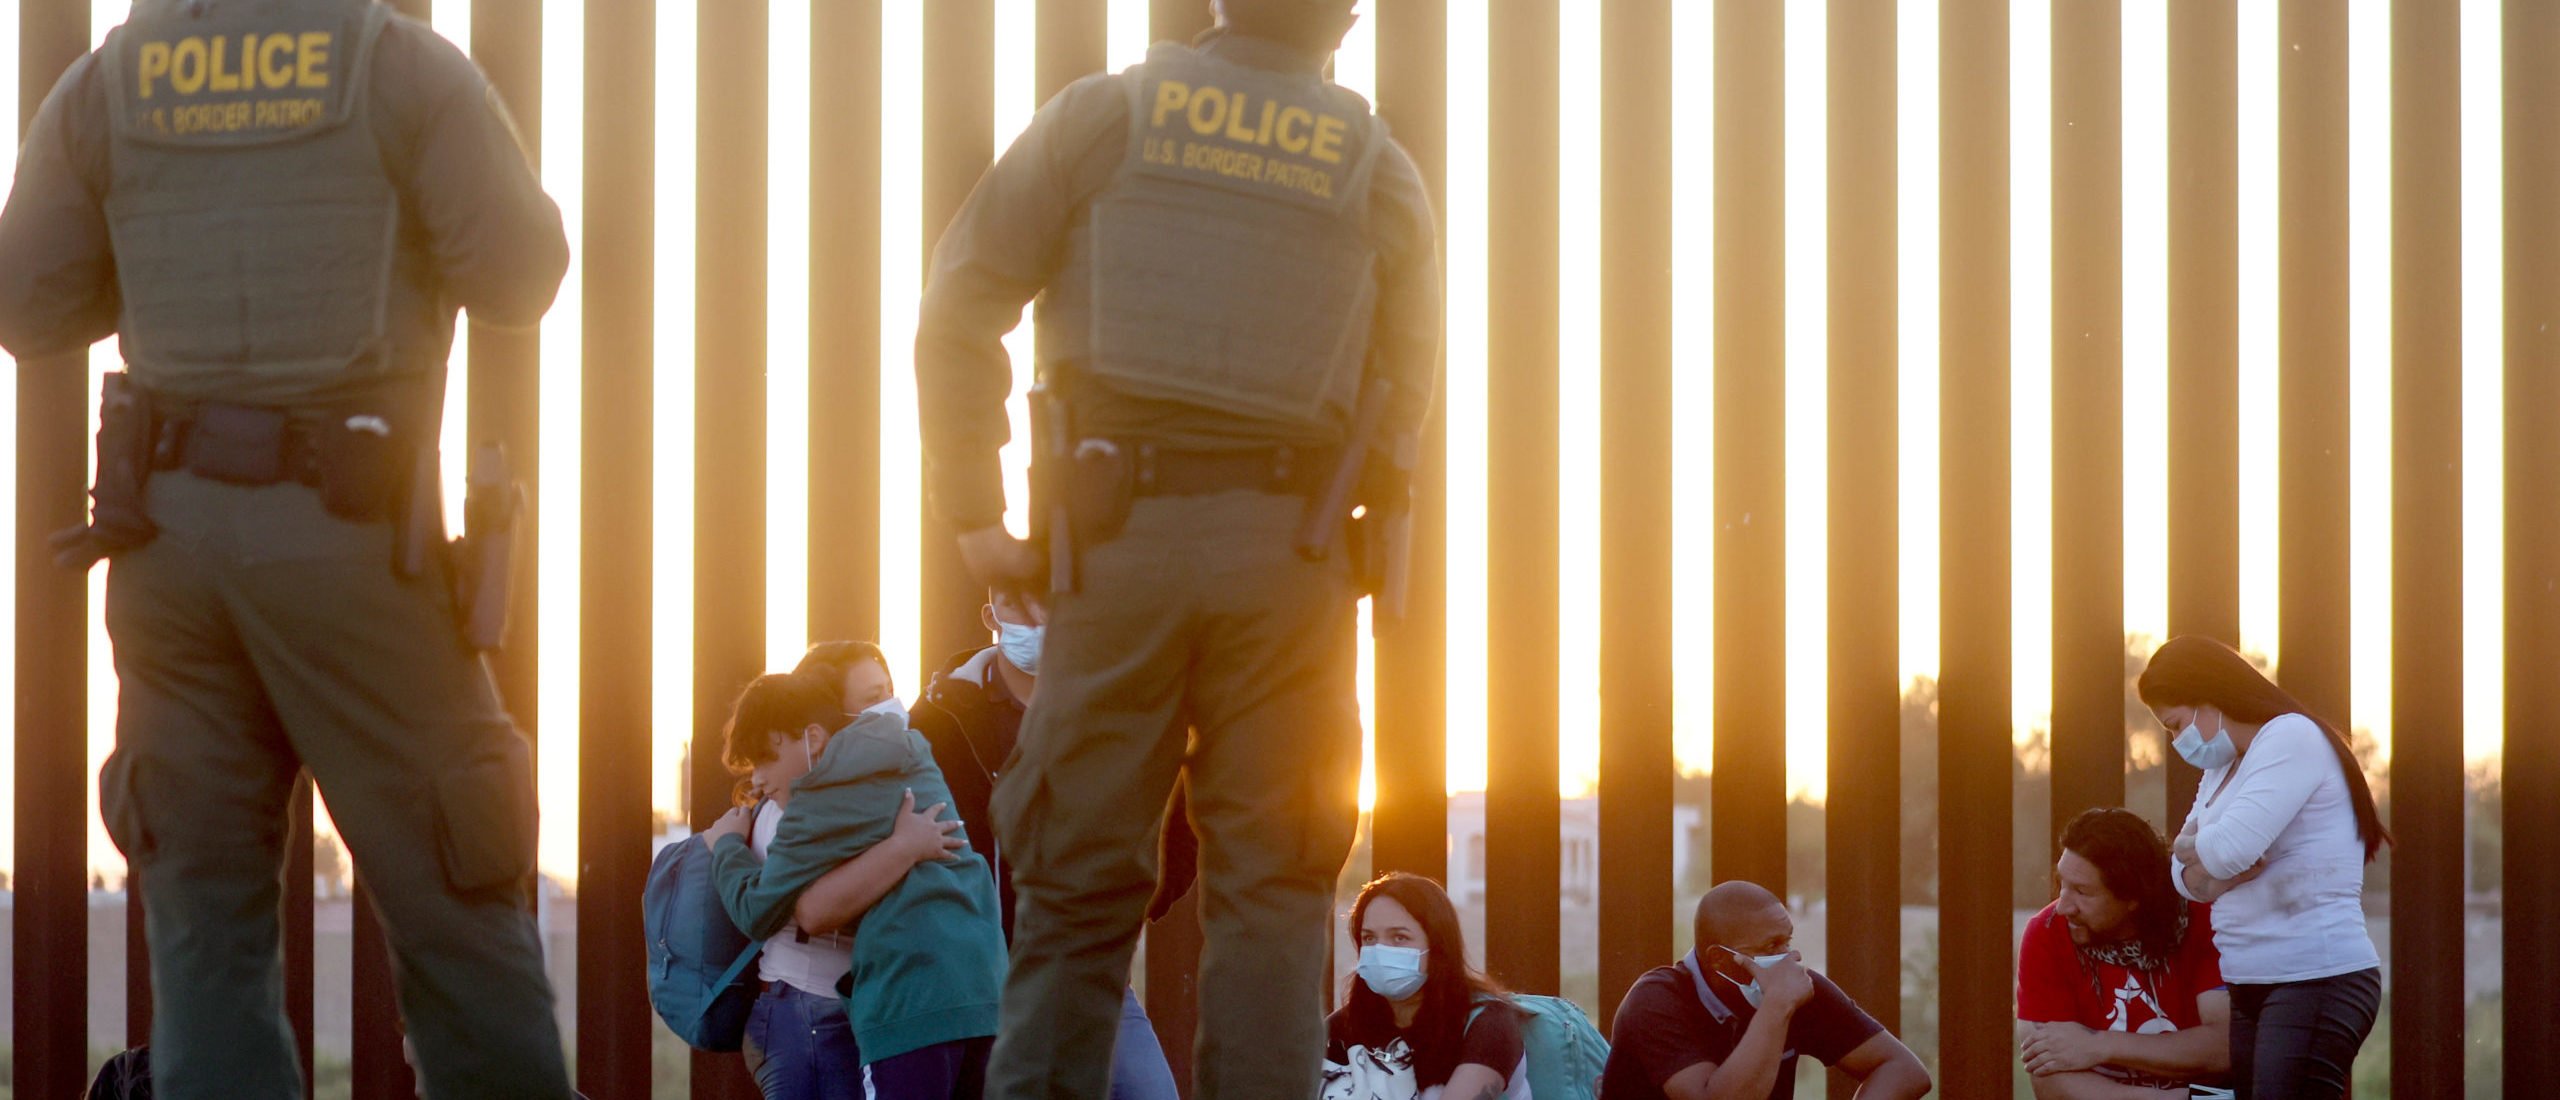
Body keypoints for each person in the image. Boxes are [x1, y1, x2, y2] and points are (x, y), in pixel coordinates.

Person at [0, 0, 572, 1095]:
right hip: (352, 545)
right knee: (460, 901)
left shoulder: (108, 83)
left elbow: (28, 304)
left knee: (205, 944)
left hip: (166, 555)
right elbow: (517, 273)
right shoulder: (396, 64)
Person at [912, 0, 1440, 1094]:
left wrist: (972, 509)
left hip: (1113, 549)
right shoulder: (1374, 167)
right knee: (1275, 897)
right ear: (1344, 20)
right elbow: (1406, 389)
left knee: (1073, 885)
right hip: (1291, 566)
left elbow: (960, 304)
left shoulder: (1102, 118)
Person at [897, 595, 1187, 1100]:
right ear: (990, 617)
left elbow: (1179, 812)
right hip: (984, 978)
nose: (1036, 621)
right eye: (1016, 606)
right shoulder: (941, 716)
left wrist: (1141, 901)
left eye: (1046, 604)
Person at [704, 673, 1008, 1099]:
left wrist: (728, 847)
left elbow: (758, 910)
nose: (757, 780)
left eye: (765, 758)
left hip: (908, 1004)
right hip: (984, 991)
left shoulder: (815, 801)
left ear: (812, 737)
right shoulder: (908, 749)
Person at [2138, 636, 2389, 1100]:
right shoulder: (2225, 768)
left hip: (2314, 979)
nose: (2177, 742)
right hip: (2250, 984)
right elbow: (2182, 875)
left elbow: (2230, 849)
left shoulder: (2290, 737)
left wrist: (2205, 855)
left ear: (2207, 699)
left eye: (2176, 726)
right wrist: (2202, 858)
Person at [1601, 881, 1932, 1100]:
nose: (1789, 957)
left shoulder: (1797, 990)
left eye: (1787, 940)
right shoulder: (1656, 1001)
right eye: (1772, 945)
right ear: (1720, 958)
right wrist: (1776, 1008)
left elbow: (1903, 1070)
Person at [2018, 808, 2233, 1099]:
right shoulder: (2046, 932)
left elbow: (2223, 1048)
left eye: (2082, 891)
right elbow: (2050, 1082)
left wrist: (2098, 1045)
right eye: (2062, 883)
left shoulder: (2204, 919)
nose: (2063, 906)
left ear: (2133, 898)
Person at [1323, 872, 1528, 1100]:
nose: (1381, 950)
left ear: (1438, 945)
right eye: (1369, 938)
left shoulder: (1488, 1024)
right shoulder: (1343, 1029)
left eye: (1399, 937)